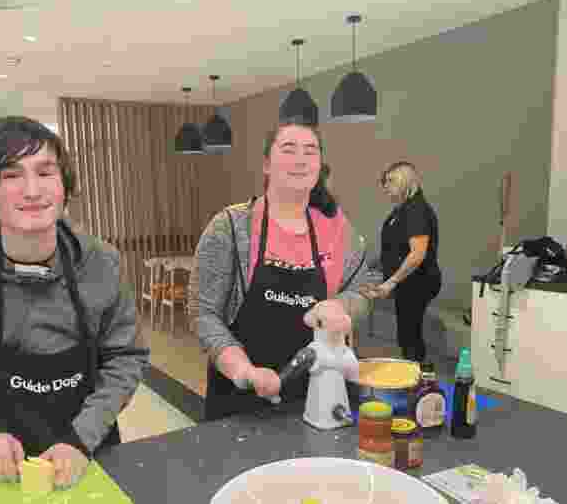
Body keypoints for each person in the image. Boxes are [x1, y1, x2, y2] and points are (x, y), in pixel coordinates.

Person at [0, 116, 149, 488]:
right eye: (11, 175)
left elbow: (126, 357)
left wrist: (82, 437)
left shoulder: (103, 262)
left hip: (91, 450)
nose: (32, 190)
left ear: (65, 187)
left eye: (46, 172)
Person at [189, 120, 372, 421]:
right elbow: (202, 312)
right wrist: (243, 370)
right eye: (289, 149)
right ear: (266, 164)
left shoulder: (337, 230)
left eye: (311, 151)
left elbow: (363, 289)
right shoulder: (230, 228)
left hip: (320, 394)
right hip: (241, 399)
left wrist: (341, 305)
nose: (301, 159)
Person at [360, 161, 441, 362]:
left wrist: (391, 282)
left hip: (418, 281)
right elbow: (394, 249)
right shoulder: (402, 210)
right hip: (407, 281)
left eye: (391, 180)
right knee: (406, 333)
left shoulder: (416, 210)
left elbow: (417, 254)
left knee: (409, 335)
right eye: (384, 181)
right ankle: (412, 375)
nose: (385, 186)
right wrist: (367, 268)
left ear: (407, 181)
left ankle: (416, 381)